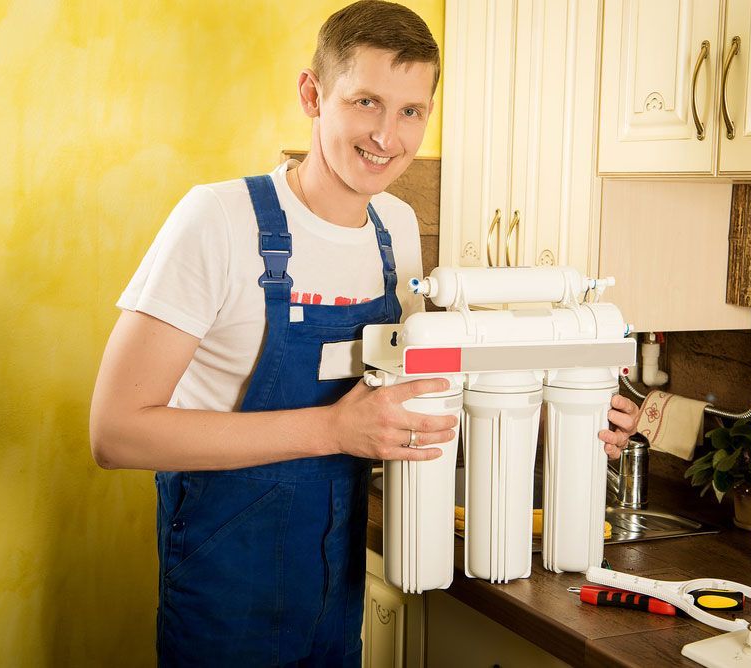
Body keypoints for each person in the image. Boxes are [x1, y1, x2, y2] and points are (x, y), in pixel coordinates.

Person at [89, 1, 640, 665]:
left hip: (335, 588)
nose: (388, 135)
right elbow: (115, 432)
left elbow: (417, 398)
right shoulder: (218, 220)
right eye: (366, 102)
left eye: (412, 111)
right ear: (312, 95)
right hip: (224, 591)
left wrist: (571, 415)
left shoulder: (397, 231)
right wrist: (331, 431)